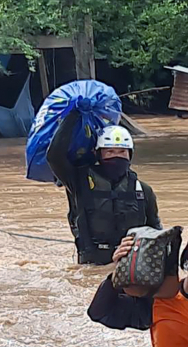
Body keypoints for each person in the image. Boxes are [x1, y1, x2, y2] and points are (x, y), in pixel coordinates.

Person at [47, 110, 162, 265]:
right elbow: (54, 157)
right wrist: (74, 114)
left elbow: (156, 229)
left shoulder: (143, 190)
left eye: (122, 151)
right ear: (98, 154)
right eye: (110, 152)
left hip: (130, 261)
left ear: (130, 155)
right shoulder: (79, 181)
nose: (116, 156)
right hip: (92, 261)